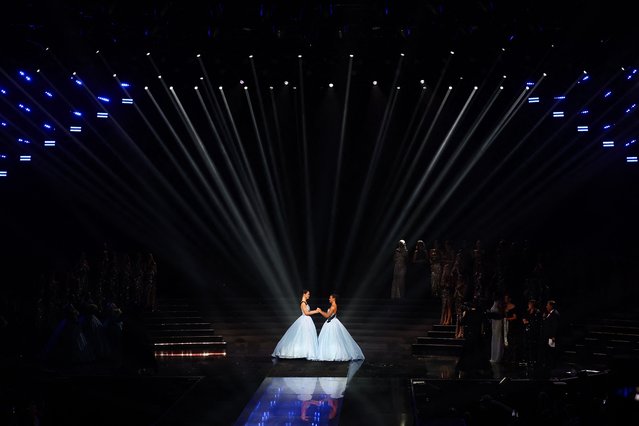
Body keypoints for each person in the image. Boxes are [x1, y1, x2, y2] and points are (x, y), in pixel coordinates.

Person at [272, 290, 321, 359]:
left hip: (307, 320)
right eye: (308, 294)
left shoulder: (305, 302)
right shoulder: (303, 303)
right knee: (304, 336)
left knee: (307, 336)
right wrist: (316, 311)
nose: (309, 295)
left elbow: (308, 311)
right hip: (305, 320)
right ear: (304, 294)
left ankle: (307, 351)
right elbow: (306, 313)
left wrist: (316, 311)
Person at [316, 294, 364, 361]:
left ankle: (332, 353)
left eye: (330, 298)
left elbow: (327, 315)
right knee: (332, 339)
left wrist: (320, 311)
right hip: (332, 322)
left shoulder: (333, 306)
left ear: (334, 298)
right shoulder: (333, 305)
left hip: (332, 323)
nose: (329, 299)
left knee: (333, 339)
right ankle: (330, 352)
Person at [540, 299, 560, 369]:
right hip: (546, 336)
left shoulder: (555, 314)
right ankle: (547, 364)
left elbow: (555, 326)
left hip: (551, 337)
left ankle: (551, 365)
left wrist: (553, 336)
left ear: (551, 306)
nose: (546, 306)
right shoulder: (549, 313)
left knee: (551, 350)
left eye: (547, 305)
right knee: (547, 350)